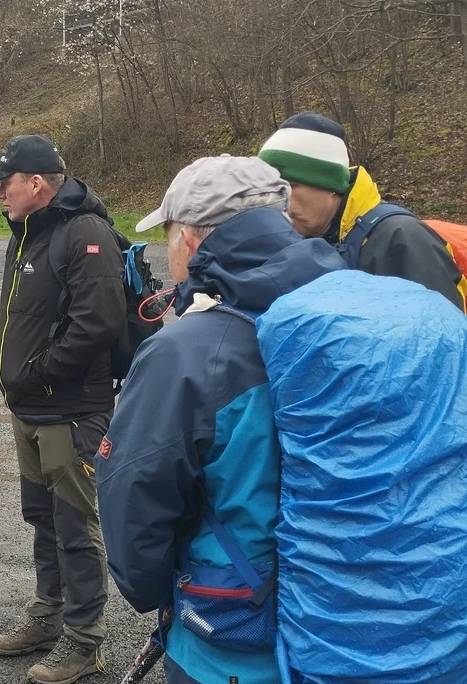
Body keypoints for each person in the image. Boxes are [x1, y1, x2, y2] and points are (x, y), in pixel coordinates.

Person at [96, 156, 344, 684]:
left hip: (230, 638)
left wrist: (150, 590)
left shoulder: (186, 352)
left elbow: (135, 496)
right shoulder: (342, 303)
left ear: (188, 238)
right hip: (337, 621)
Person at [0, 135, 126, 684]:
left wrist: (37, 373)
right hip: (30, 409)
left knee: (75, 526)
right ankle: (47, 616)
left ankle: (84, 644)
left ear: (36, 183)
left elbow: (99, 322)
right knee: (42, 518)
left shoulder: (84, 232)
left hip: (70, 411)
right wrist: (3, 362)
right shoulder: (26, 235)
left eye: (5, 184)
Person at [258, 111, 467, 311]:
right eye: (272, 190)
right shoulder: (296, 240)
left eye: (291, 186)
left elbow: (447, 336)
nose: (280, 202)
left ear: (331, 185)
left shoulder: (401, 238)